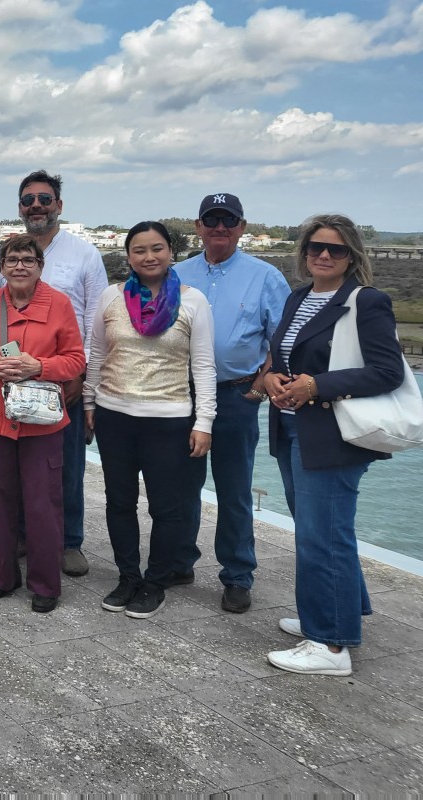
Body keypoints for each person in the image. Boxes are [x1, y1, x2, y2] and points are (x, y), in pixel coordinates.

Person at [261, 214, 405, 677]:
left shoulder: (367, 301)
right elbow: (285, 356)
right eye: (316, 247)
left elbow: (388, 371)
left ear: (351, 255)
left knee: (322, 536)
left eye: (336, 249)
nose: (324, 255)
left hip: (331, 434)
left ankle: (330, 643)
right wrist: (271, 377)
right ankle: (338, 613)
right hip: (291, 428)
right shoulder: (299, 297)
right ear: (304, 251)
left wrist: (316, 385)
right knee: (320, 528)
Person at [84, 221, 215, 619]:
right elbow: (97, 353)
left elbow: (204, 366)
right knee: (119, 502)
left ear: (170, 252)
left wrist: (204, 422)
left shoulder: (193, 301)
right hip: (114, 416)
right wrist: (89, 402)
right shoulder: (111, 297)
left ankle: (156, 582)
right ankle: (128, 577)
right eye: (139, 250)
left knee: (167, 508)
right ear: (128, 257)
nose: (149, 256)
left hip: (169, 420)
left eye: (157, 248)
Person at [0, 171, 108, 577]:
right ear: (20, 207)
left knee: (63, 468)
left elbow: (94, 323)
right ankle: (23, 536)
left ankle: (68, 541)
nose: (36, 206)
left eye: (44, 198)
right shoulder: (0, 254)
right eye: (28, 200)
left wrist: (83, 381)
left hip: (62, 381)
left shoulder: (84, 254)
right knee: (15, 470)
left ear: (58, 205)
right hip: (10, 386)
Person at [179, 192, 290, 614]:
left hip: (235, 395)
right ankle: (178, 563)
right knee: (180, 486)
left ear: (242, 227)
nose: (220, 227)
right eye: (212, 220)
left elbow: (284, 340)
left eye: (229, 220)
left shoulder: (266, 277)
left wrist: (259, 388)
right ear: (198, 226)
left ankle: (238, 575)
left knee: (234, 490)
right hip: (184, 395)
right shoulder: (177, 274)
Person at [0, 234, 86, 612]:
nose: (19, 266)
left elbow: (76, 360)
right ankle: (5, 574)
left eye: (28, 260)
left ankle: (45, 583)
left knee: (42, 503)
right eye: (12, 260)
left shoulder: (59, 304)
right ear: (1, 266)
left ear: (40, 266)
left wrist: (40, 366)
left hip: (41, 420)